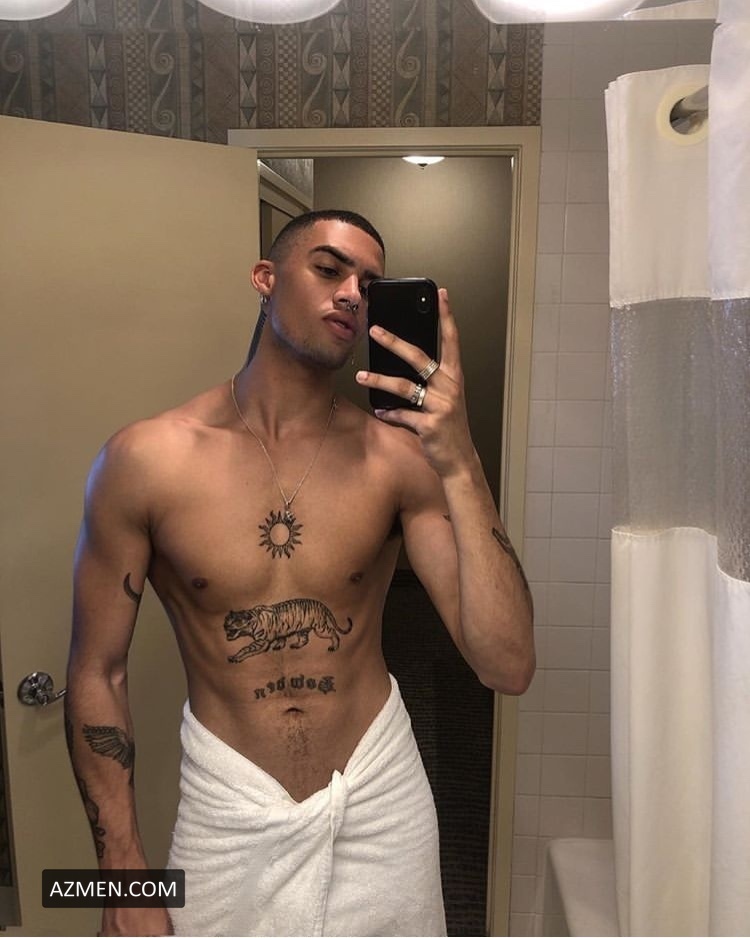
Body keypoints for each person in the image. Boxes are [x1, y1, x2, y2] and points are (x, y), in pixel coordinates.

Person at [65, 209, 535, 937]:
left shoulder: (397, 459)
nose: (351, 293)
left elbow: (507, 663)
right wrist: (121, 880)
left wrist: (460, 454)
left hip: (378, 802)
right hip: (229, 815)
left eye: (370, 284)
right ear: (266, 278)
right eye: (328, 268)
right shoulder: (146, 461)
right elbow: (98, 671)